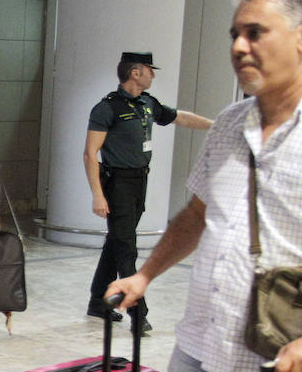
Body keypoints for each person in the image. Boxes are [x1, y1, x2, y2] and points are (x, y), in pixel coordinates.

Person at [106, 0, 302, 372]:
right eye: (234, 34)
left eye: (256, 32)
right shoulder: (229, 124)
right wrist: (146, 274)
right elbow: (195, 214)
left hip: (296, 364)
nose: (240, 46)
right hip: (205, 351)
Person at [83, 52, 213, 330]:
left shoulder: (148, 103)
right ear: (135, 72)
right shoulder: (107, 108)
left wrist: (216, 127)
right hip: (116, 184)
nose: (153, 75)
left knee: (116, 242)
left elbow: (180, 117)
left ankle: (97, 301)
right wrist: (97, 194)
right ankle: (138, 314)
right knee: (126, 248)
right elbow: (89, 154)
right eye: (149, 70)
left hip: (139, 182)